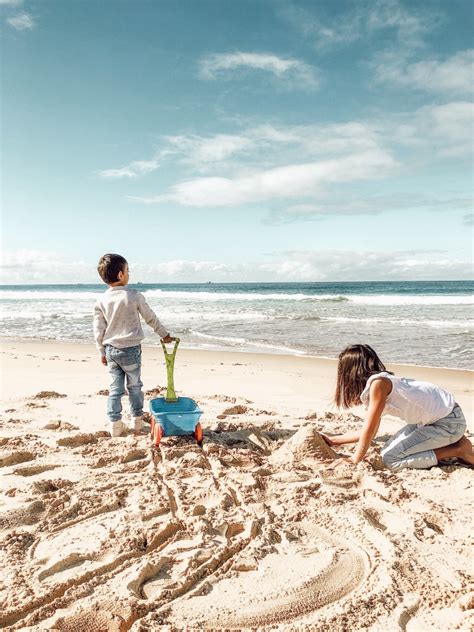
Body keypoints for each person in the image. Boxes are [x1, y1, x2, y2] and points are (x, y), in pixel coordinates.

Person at [322, 344, 474, 470]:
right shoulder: (379, 384)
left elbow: (369, 429)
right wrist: (334, 441)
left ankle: (458, 450)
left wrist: (355, 459)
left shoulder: (379, 384)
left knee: (390, 460)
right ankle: (452, 441)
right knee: (386, 451)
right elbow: (371, 431)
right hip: (439, 419)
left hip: (447, 423)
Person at [93, 253, 173, 437]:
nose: (129, 274)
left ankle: (115, 423)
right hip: (131, 350)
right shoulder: (134, 295)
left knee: (115, 388)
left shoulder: (101, 300)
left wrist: (101, 352)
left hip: (111, 350)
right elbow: (150, 318)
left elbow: (98, 330)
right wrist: (164, 335)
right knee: (134, 386)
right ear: (121, 275)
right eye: (128, 270)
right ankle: (137, 420)